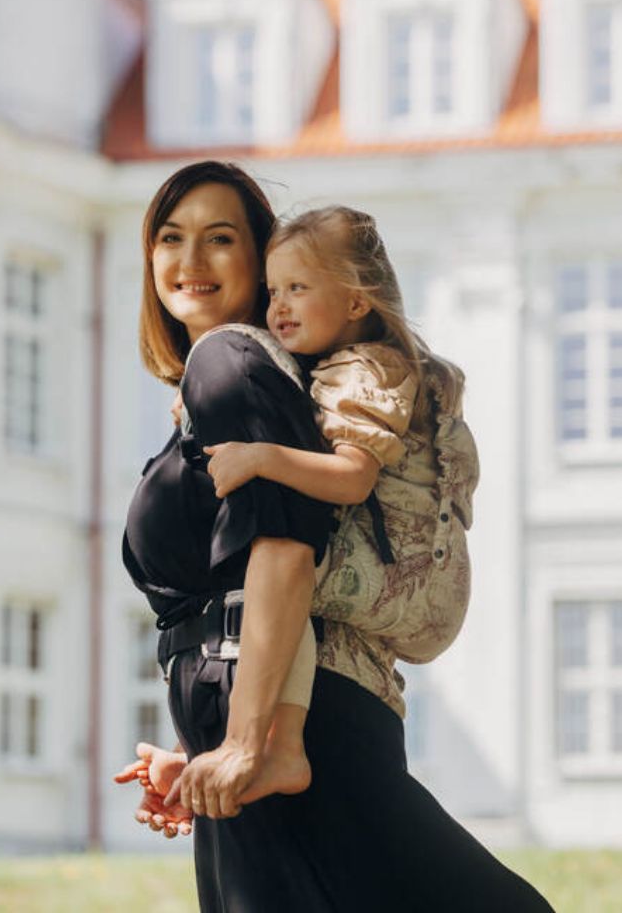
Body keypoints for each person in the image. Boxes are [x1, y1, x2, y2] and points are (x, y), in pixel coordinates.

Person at [116, 161, 555, 912]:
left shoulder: (232, 361)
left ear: (264, 256)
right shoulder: (218, 381)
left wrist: (251, 743)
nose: (189, 261)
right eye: (170, 237)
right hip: (256, 720)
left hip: (287, 727)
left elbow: (285, 549)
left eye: (220, 238)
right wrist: (204, 756)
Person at [196, 204, 470, 805]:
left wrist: (260, 455)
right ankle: (285, 747)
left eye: (298, 288)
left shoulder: (370, 369)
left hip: (410, 573)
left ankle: (280, 745)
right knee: (298, 582)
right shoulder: (344, 367)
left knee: (282, 566)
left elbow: (350, 479)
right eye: (273, 291)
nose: (279, 306)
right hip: (399, 578)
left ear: (355, 302)